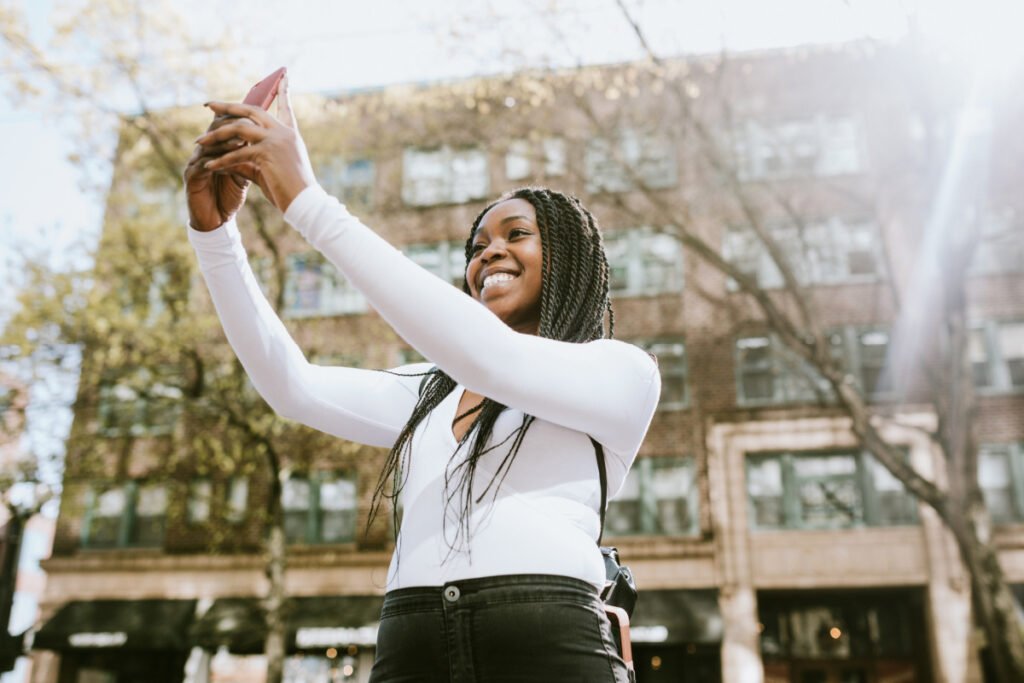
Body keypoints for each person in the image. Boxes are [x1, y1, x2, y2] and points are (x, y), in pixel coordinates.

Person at [184, 75, 660, 683]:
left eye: (517, 234)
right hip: (411, 644)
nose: (489, 253)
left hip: (549, 642)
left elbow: (493, 359)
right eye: (478, 244)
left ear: (570, 258)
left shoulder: (621, 372)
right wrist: (215, 237)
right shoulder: (429, 392)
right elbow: (291, 387)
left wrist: (306, 200)